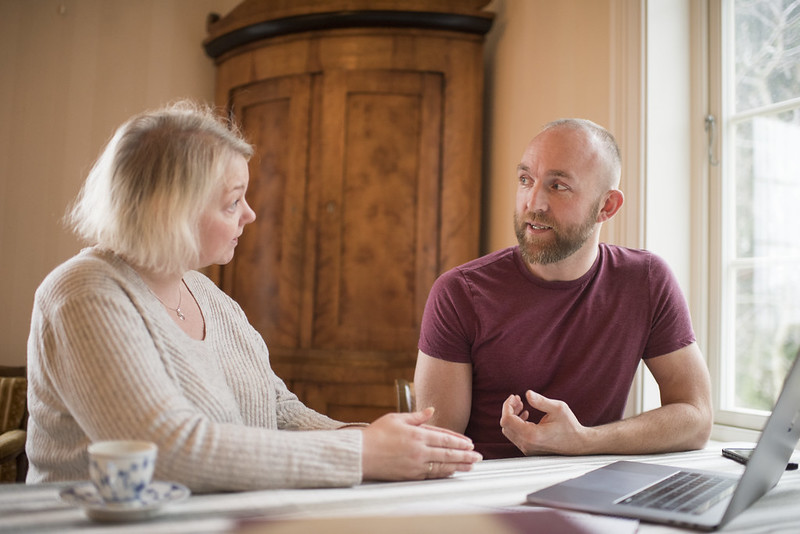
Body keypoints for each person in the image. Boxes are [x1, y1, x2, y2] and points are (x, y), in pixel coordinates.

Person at [26, 100, 482, 492]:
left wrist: (381, 438)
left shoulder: (206, 293)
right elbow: (165, 451)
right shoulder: (83, 292)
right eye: (232, 201)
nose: (250, 214)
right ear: (172, 212)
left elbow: (276, 410)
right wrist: (361, 452)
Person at [414, 118, 713, 460]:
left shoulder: (646, 281)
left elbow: (697, 417)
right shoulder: (459, 293)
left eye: (558, 186)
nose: (533, 203)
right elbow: (436, 451)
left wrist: (584, 441)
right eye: (525, 180)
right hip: (486, 484)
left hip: (594, 484)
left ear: (607, 206)